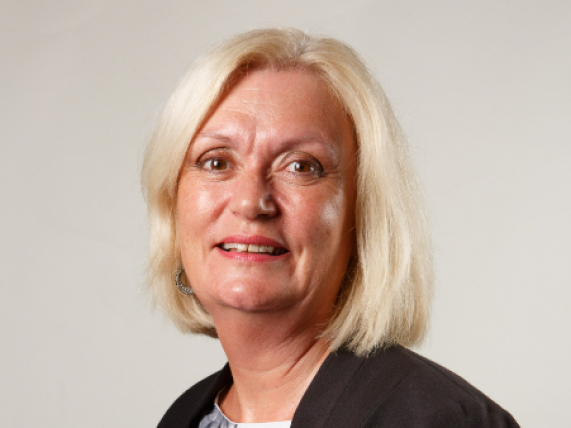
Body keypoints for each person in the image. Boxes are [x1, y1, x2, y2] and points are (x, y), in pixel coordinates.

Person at [142, 28, 519, 428]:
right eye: (216, 162)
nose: (251, 202)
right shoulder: (185, 416)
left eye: (301, 166)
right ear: (173, 201)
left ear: (363, 213)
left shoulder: (438, 420)